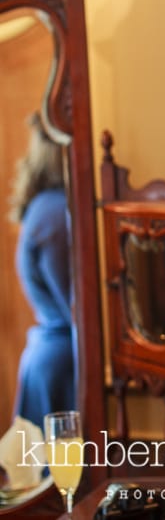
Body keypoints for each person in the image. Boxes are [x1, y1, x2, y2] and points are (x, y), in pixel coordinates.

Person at [7, 113, 74, 429]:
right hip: (59, 367)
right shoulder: (54, 212)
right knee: (59, 475)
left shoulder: (46, 207)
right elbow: (72, 305)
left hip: (52, 359)